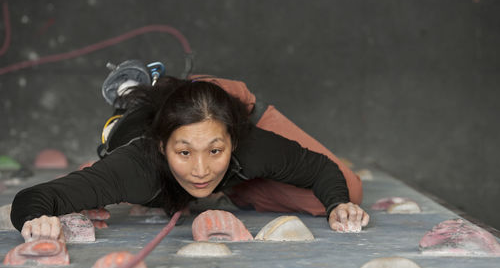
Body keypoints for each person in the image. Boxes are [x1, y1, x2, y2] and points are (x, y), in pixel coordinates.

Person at [10, 75, 369, 242]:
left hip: (221, 114)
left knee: (350, 189)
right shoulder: (135, 168)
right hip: (137, 123)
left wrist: (338, 203)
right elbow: (34, 198)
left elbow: (321, 168)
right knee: (100, 179)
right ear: (163, 147)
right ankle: (143, 87)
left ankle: (234, 178)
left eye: (215, 151)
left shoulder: (252, 145)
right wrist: (37, 220)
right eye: (184, 153)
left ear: (233, 139)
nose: (200, 170)